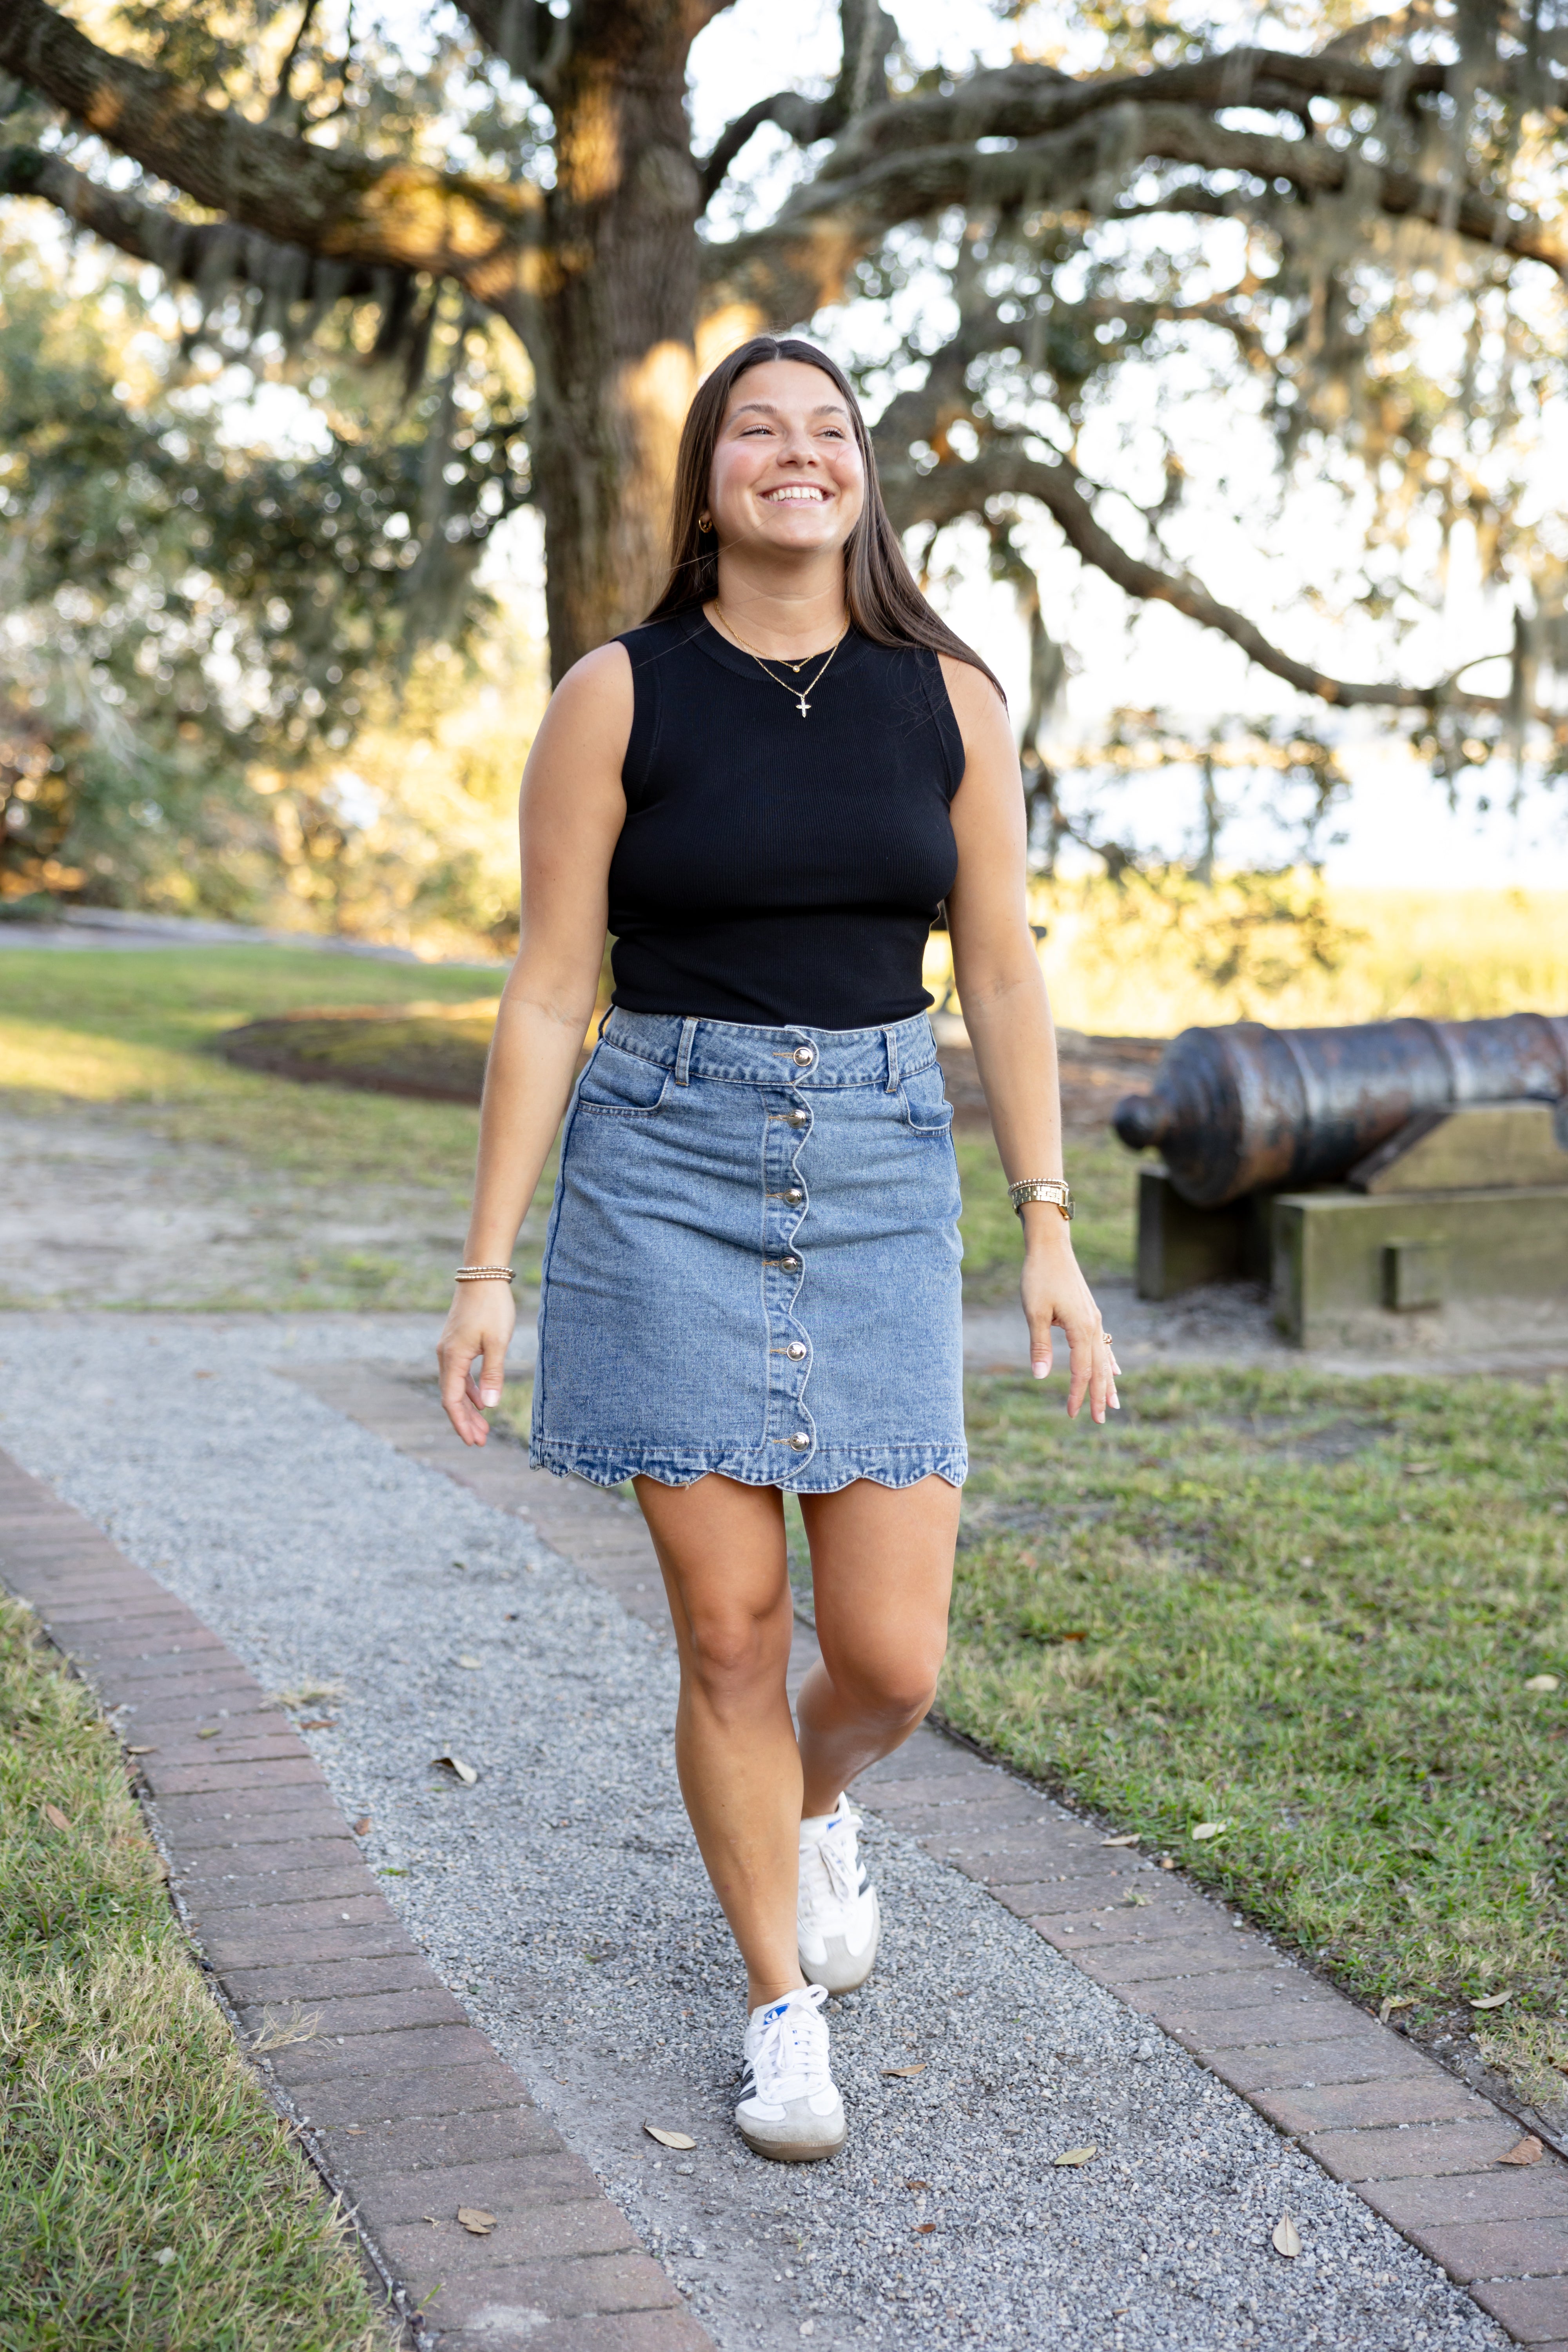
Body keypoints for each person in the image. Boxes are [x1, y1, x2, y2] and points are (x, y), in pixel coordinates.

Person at [437, 333, 1119, 2165]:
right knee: (730, 1633)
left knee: (892, 1662)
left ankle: (816, 1806)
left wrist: (1047, 1229)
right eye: (759, 429)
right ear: (711, 478)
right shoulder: (618, 693)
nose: (795, 456)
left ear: (864, 478)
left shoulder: (947, 698)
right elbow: (548, 984)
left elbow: (1000, 969)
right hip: (663, 1161)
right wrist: (485, 1263)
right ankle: (778, 2013)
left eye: (829, 431)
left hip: (889, 1171)